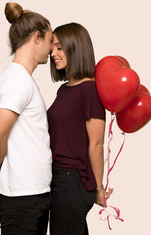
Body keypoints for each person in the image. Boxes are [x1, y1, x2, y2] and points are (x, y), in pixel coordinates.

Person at [0, 2, 53, 235]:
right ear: (37, 38)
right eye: (50, 41)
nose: (52, 49)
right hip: (21, 198)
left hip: (31, 195)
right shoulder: (17, 81)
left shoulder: (20, 79)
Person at [47, 22, 114, 235]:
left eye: (59, 47)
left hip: (72, 181)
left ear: (75, 47)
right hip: (58, 178)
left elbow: (96, 144)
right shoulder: (63, 90)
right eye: (52, 48)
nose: (53, 53)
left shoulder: (90, 90)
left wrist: (98, 188)